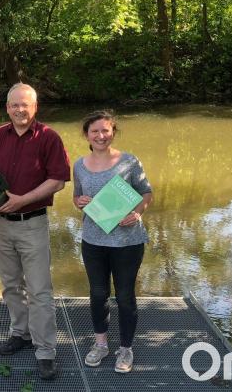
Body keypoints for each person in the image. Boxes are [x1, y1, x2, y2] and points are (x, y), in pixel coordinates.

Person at [0, 83, 70, 380]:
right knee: (10, 285)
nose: (20, 110)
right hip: (0, 225)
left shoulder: (49, 138)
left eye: (26, 105)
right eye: (14, 105)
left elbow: (58, 180)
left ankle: (45, 351)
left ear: (35, 107)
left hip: (32, 222)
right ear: (7, 107)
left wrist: (24, 199)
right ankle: (20, 333)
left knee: (40, 290)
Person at [72, 110, 153, 374]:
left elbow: (146, 193)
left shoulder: (129, 161)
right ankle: (101, 344)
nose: (100, 136)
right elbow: (77, 198)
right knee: (98, 294)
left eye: (105, 130)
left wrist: (137, 212)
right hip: (93, 241)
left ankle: (126, 349)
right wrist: (79, 202)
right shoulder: (79, 165)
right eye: (95, 131)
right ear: (87, 134)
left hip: (128, 242)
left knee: (126, 296)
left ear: (113, 132)